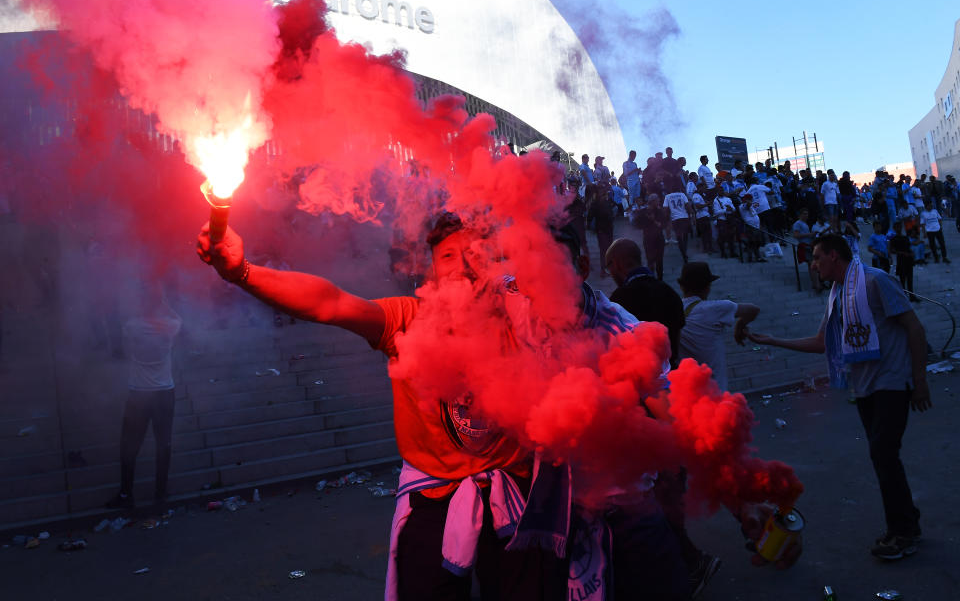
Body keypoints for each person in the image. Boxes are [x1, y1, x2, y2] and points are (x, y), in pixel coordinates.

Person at [197, 213, 567, 600]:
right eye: (448, 257)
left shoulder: (522, 321)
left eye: (476, 253)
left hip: (514, 491)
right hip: (434, 496)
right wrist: (242, 271)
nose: (464, 266)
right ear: (432, 272)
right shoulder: (409, 319)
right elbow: (331, 304)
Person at [748, 234, 932, 559]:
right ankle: (906, 521)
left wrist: (919, 381)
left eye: (817, 258)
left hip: (891, 382)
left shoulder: (876, 281)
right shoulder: (836, 295)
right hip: (863, 387)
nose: (813, 264)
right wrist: (772, 340)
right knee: (883, 457)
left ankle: (904, 531)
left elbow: (914, 328)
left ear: (834, 256)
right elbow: (823, 342)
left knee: (884, 455)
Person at [105, 282, 182, 511]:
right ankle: (160, 494)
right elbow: (178, 318)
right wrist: (163, 303)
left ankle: (126, 493)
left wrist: (144, 306)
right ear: (158, 305)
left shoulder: (133, 326)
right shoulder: (170, 325)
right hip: (165, 393)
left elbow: (126, 338)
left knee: (129, 445)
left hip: (139, 393)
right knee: (163, 444)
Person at [675, 262, 759, 392]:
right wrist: (739, 326)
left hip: (685, 396)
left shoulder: (672, 311)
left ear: (681, 286)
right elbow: (753, 310)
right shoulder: (716, 308)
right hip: (714, 394)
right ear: (708, 287)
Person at [604, 238, 686, 368]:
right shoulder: (670, 292)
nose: (611, 274)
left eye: (609, 268)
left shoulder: (619, 299)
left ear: (616, 264)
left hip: (639, 379)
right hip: (669, 377)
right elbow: (676, 339)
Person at [632, 193, 669, 280]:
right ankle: (651, 279)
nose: (659, 201)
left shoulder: (659, 211)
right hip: (648, 239)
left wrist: (653, 220)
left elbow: (663, 225)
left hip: (659, 239)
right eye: (657, 200)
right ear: (652, 202)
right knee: (650, 260)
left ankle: (660, 279)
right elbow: (636, 224)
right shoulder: (643, 212)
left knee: (659, 261)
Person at [663, 180, 693, 264]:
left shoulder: (667, 196)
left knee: (679, 238)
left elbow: (665, 209)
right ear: (679, 189)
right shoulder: (682, 195)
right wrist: (692, 216)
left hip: (675, 219)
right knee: (685, 237)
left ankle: (684, 255)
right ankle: (685, 251)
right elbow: (688, 206)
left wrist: (666, 219)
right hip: (684, 218)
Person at [792, 208, 821, 292]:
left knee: (811, 265)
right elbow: (796, 235)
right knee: (812, 265)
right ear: (800, 214)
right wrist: (810, 234)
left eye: (807, 214)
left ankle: (815, 284)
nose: (806, 215)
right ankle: (817, 285)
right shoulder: (797, 223)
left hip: (808, 245)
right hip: (804, 246)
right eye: (804, 214)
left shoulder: (804, 223)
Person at [888, 222, 917, 301]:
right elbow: (891, 250)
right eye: (897, 227)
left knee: (910, 279)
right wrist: (903, 253)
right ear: (894, 228)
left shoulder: (905, 237)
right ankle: (904, 297)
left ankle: (912, 296)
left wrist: (911, 253)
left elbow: (908, 247)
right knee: (903, 279)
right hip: (901, 260)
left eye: (900, 227)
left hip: (908, 260)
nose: (899, 228)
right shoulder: (893, 239)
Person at [713, 188, 737, 259]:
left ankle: (732, 252)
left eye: (722, 190)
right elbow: (716, 212)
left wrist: (731, 209)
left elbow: (734, 208)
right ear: (717, 192)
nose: (721, 192)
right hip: (721, 220)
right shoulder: (715, 201)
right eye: (719, 191)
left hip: (729, 219)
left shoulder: (728, 199)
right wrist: (725, 210)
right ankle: (723, 253)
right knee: (722, 237)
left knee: (731, 236)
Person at [691, 183, 714, 254]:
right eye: (704, 188)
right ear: (700, 188)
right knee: (704, 234)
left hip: (706, 215)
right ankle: (706, 249)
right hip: (701, 216)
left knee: (709, 233)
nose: (705, 190)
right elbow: (698, 206)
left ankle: (710, 248)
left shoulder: (702, 195)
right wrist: (707, 204)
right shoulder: (696, 196)